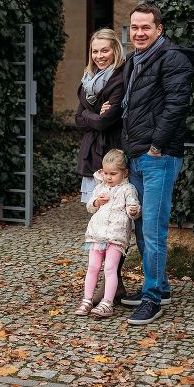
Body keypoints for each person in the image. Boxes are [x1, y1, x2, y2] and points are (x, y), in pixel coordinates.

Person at [119, 3, 194, 325]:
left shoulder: (172, 58)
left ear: (159, 29)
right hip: (137, 156)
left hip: (158, 157)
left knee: (153, 229)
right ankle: (159, 287)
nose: (139, 33)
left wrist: (155, 146)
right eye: (134, 27)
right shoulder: (135, 60)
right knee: (140, 225)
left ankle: (151, 300)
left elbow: (177, 105)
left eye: (146, 27)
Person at [74, 28, 128, 301]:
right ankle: (111, 285)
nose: (99, 56)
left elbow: (109, 120)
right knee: (99, 222)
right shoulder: (87, 80)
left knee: (114, 223)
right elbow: (77, 118)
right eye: (95, 51)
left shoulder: (119, 78)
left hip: (110, 155)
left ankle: (113, 283)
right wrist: (92, 114)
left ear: (115, 50)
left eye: (104, 50)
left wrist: (89, 115)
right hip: (91, 155)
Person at [74, 149, 140, 318]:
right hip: (97, 234)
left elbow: (134, 210)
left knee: (110, 268)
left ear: (124, 173)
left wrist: (133, 210)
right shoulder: (100, 187)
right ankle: (87, 300)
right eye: (106, 173)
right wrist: (97, 201)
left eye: (113, 173)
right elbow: (90, 207)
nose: (109, 177)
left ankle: (107, 302)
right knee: (93, 267)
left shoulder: (128, 189)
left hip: (116, 237)